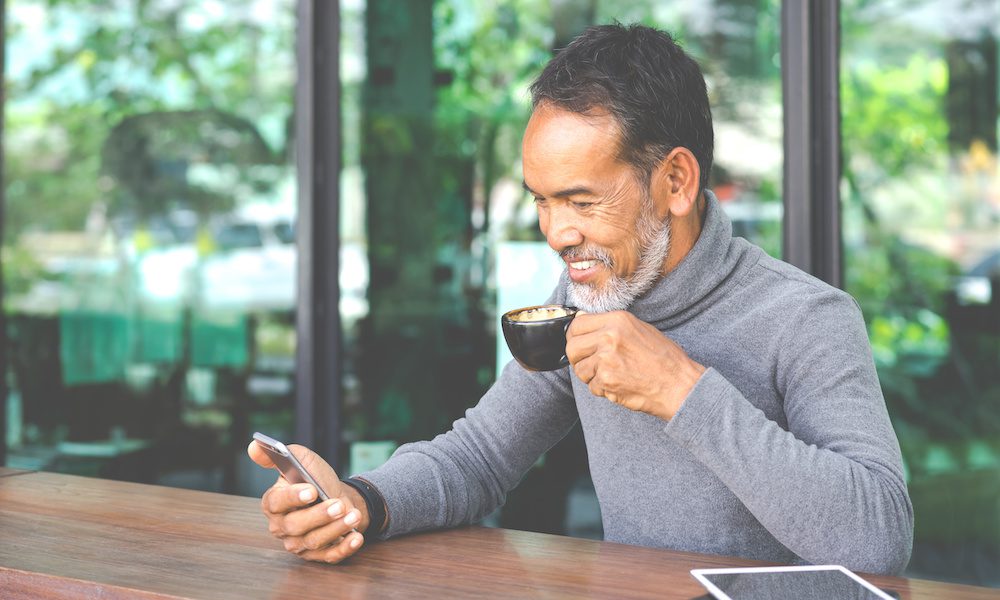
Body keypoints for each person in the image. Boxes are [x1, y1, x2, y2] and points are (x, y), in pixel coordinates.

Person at [248, 23, 913, 574]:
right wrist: (359, 500)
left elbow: (879, 540)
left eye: (581, 201)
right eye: (542, 200)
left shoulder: (806, 318)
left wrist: (681, 389)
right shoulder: (585, 294)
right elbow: (481, 455)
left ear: (676, 182)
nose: (556, 234)